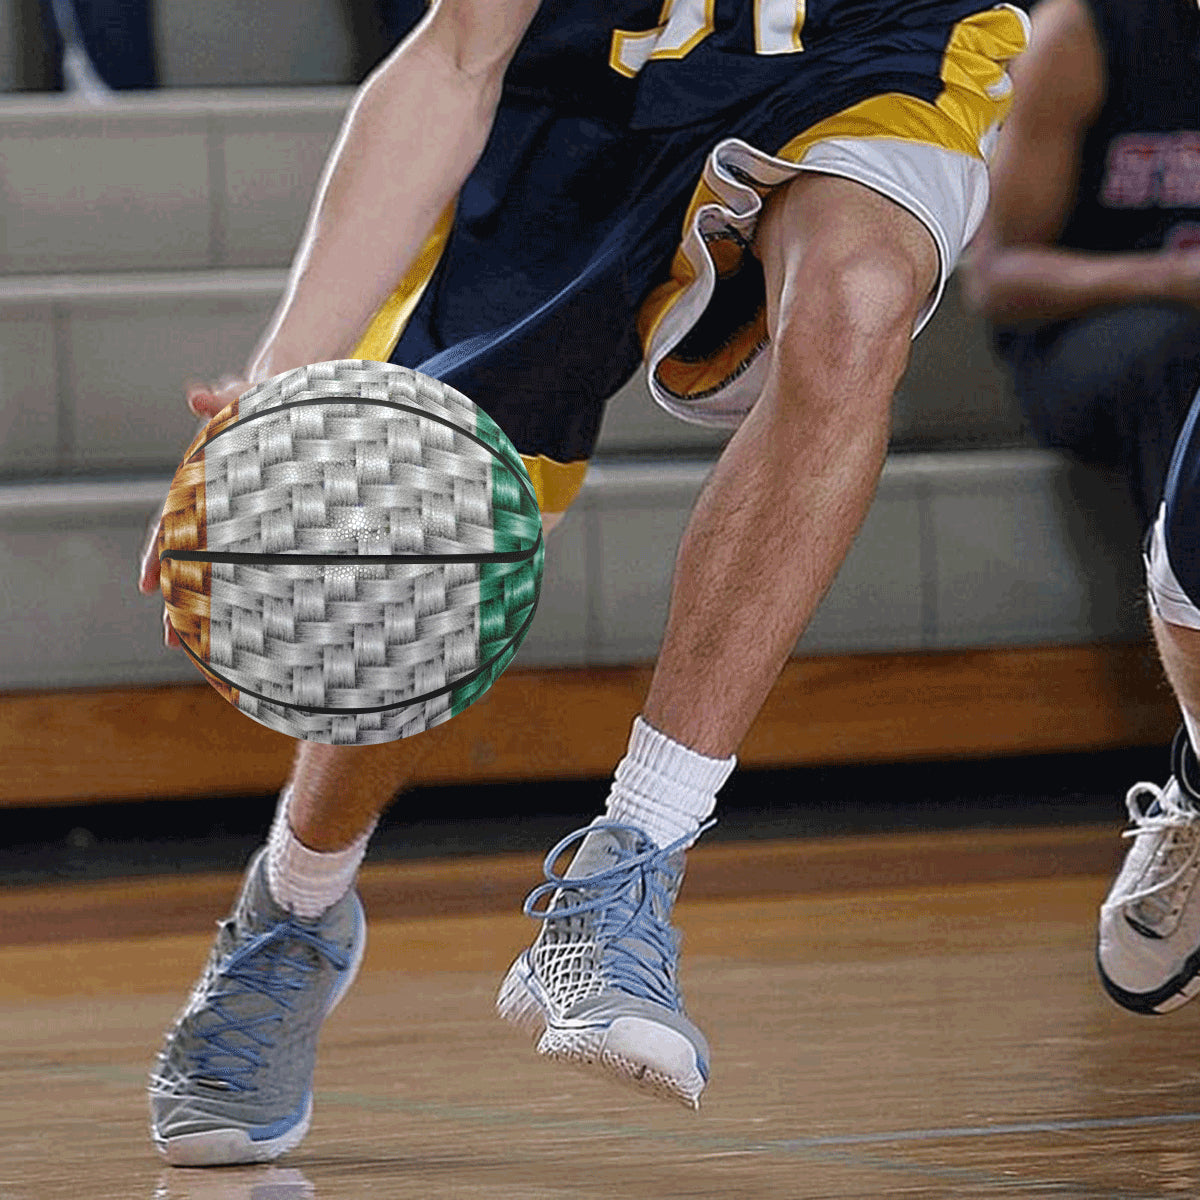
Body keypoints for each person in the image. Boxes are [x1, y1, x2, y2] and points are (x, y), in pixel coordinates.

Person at [138, 0, 1028, 1166]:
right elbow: (459, 53)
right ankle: (294, 909)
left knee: (857, 305)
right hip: (575, 105)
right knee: (414, 525)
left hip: (869, 57)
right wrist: (277, 383)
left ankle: (628, 874)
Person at [963, 0, 1200, 1017]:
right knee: (1173, 353)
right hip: (1090, 340)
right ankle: (1189, 775)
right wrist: (1172, 277)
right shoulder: (1086, 35)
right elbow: (997, 276)